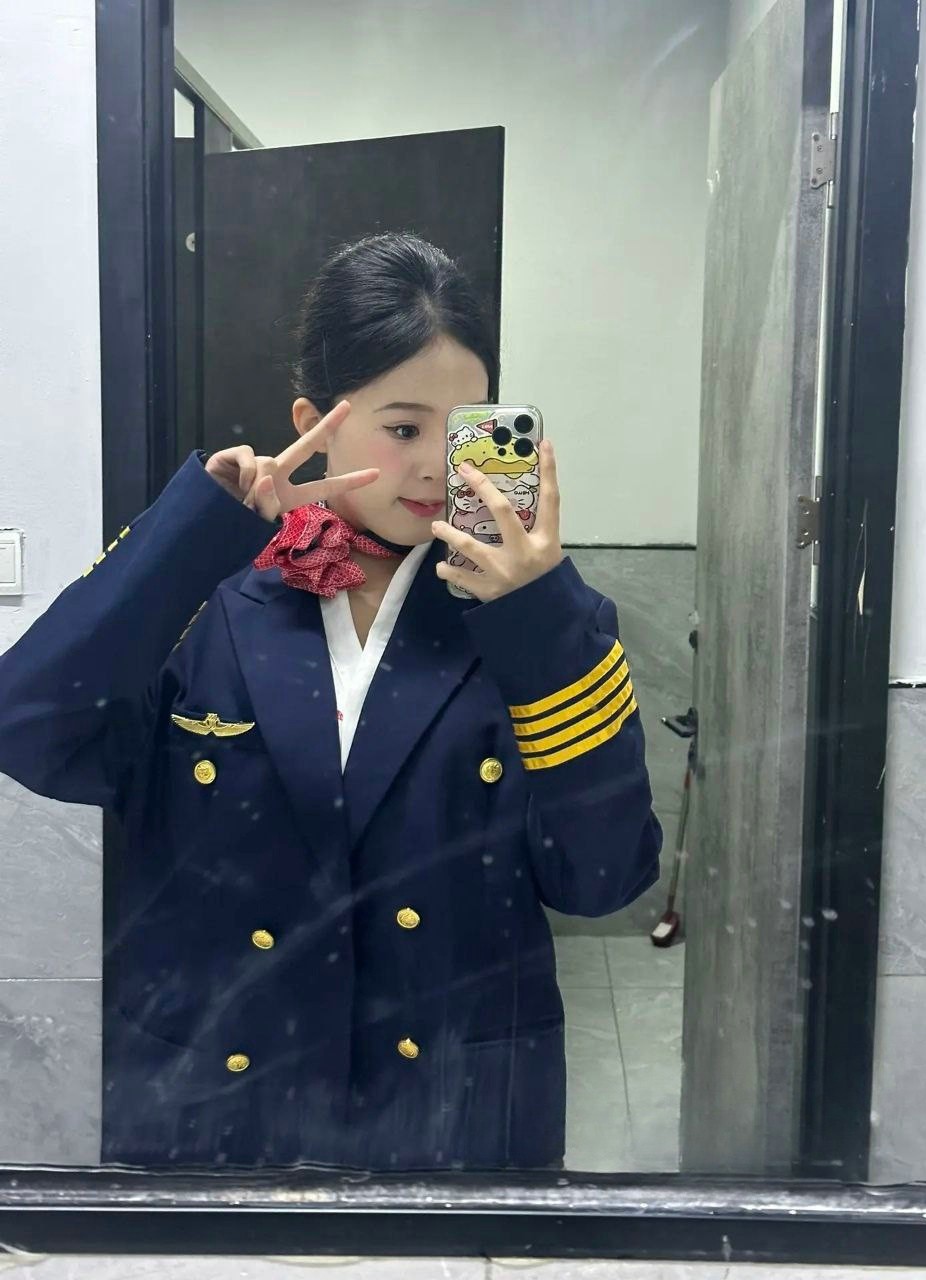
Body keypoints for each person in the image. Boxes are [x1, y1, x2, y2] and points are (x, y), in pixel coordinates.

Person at [0, 232, 662, 1170]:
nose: (435, 467)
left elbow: (602, 879)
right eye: (403, 428)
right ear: (316, 422)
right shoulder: (211, 594)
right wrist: (192, 532)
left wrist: (537, 615)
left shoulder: (541, 624)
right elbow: (30, 730)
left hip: (452, 1120)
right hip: (218, 1110)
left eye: (462, 431)